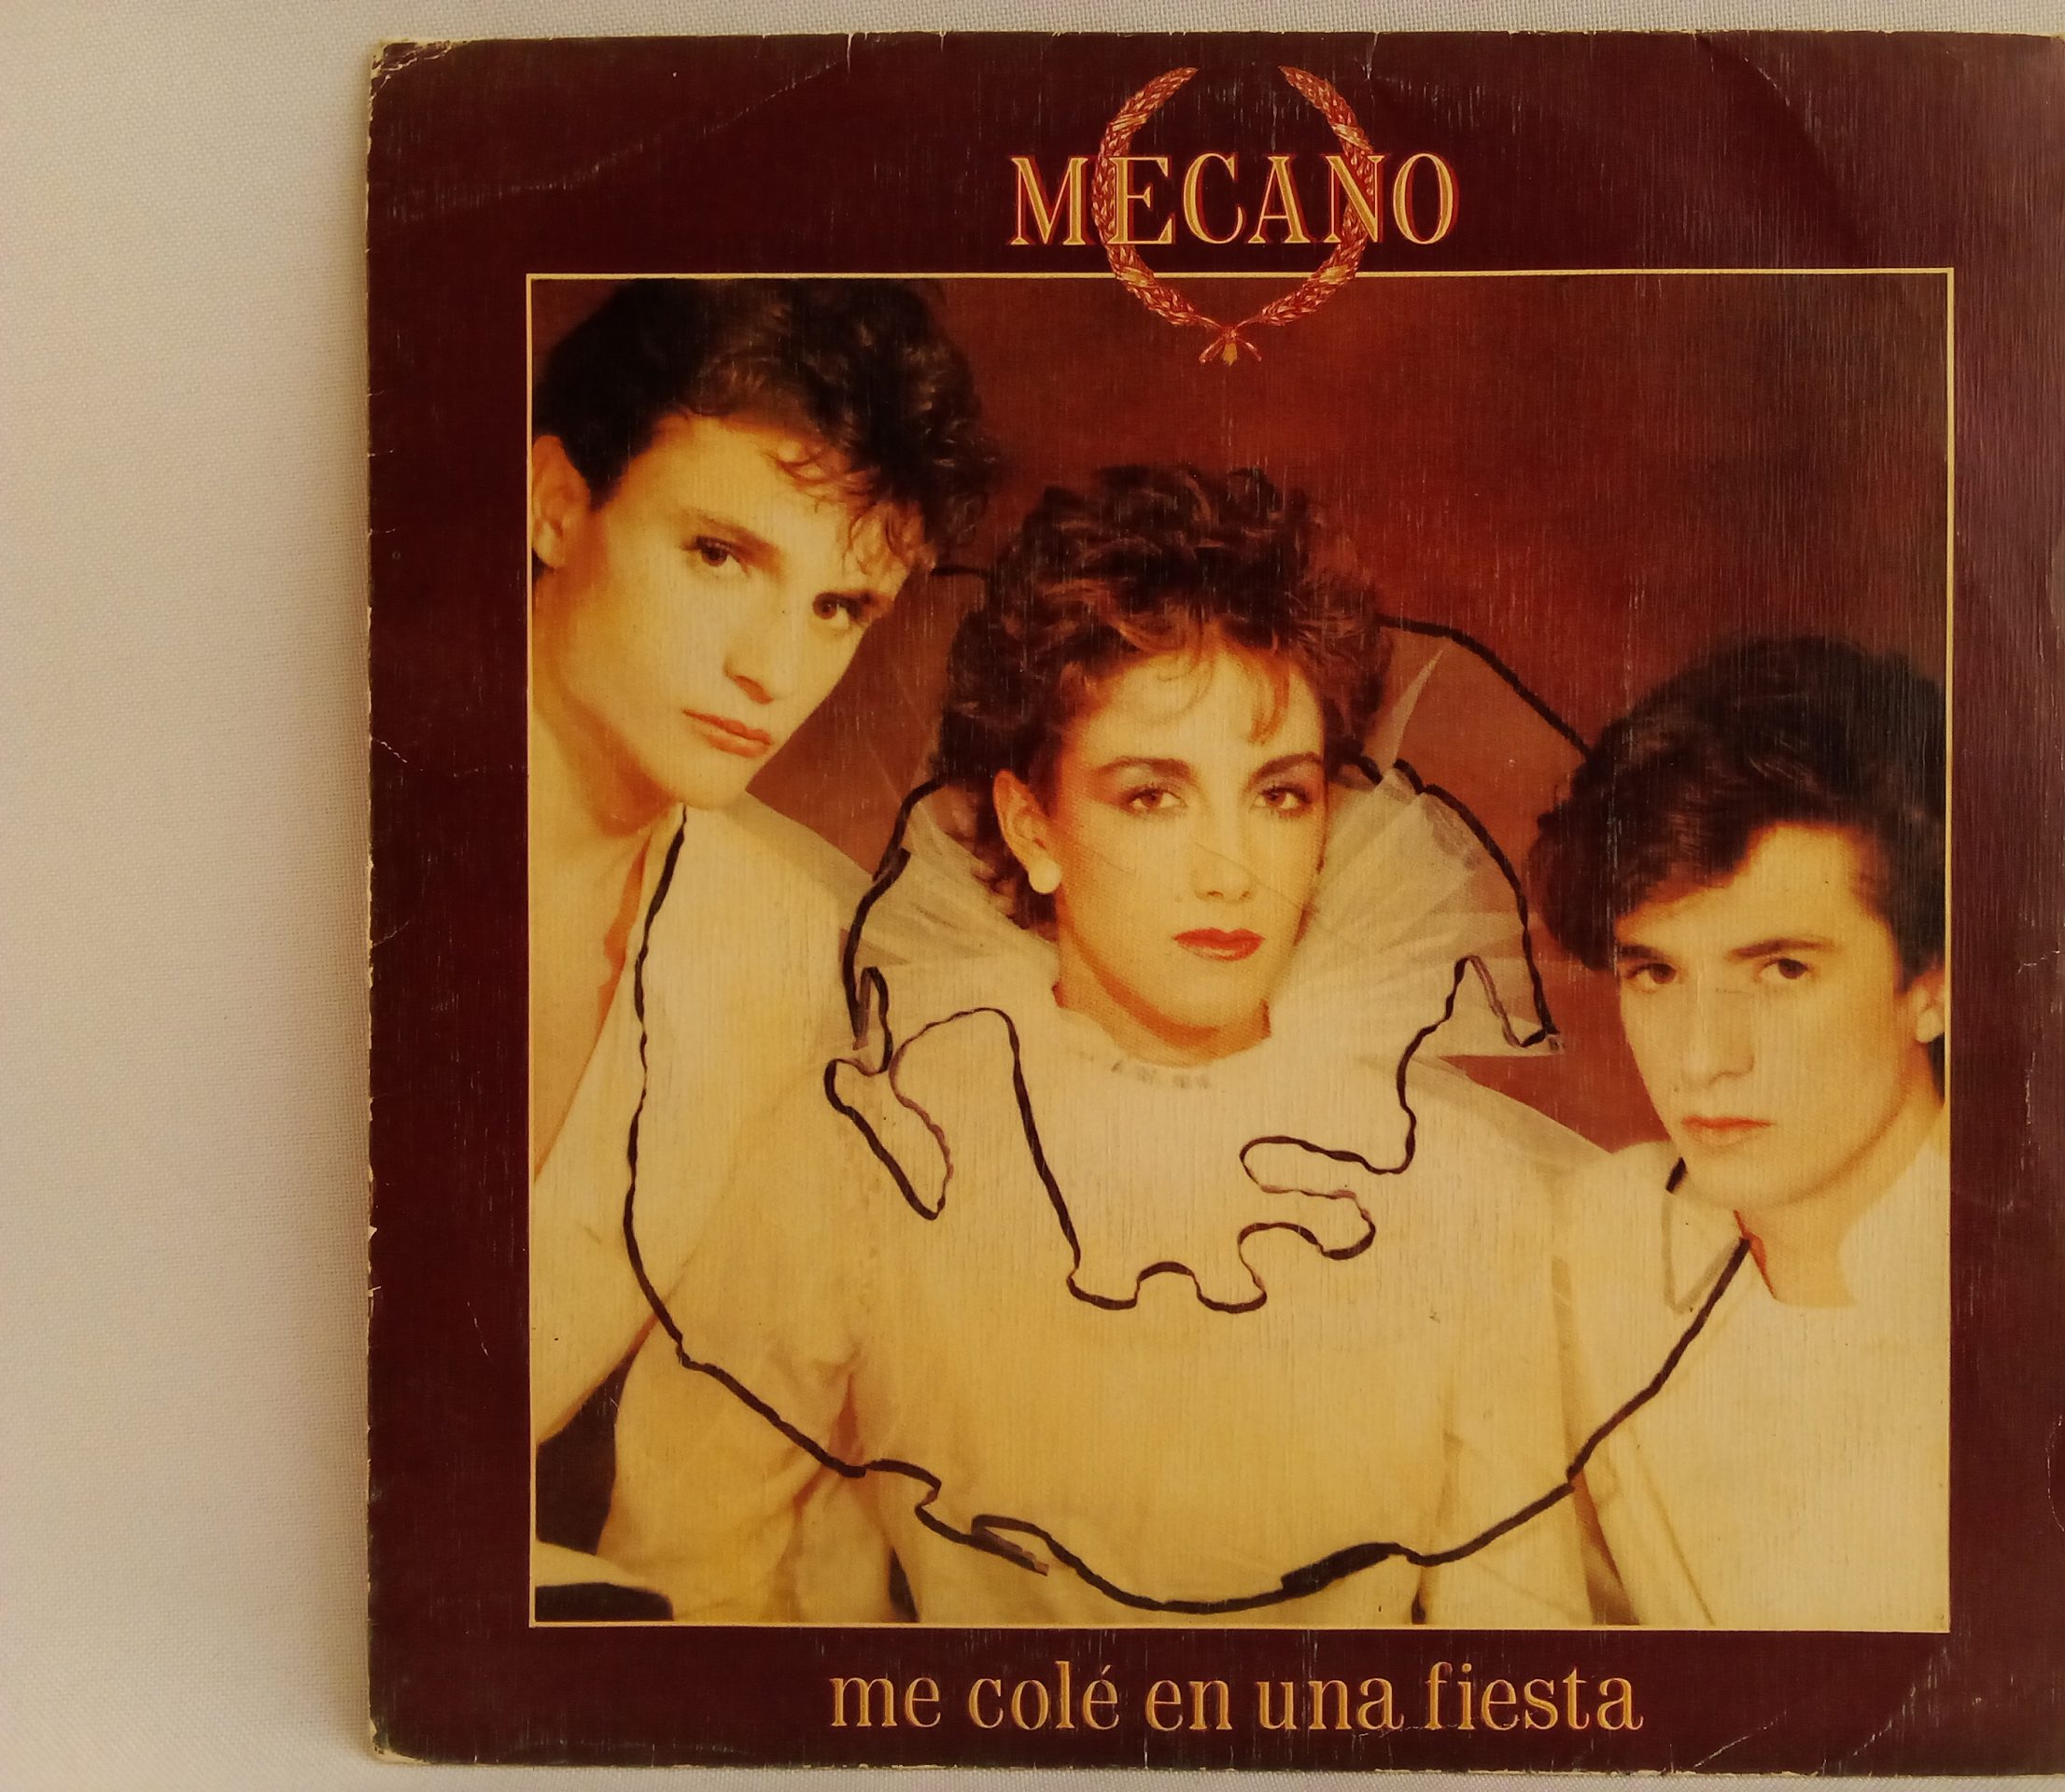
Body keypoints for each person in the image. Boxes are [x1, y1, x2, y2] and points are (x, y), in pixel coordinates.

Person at [599, 466, 1591, 1625]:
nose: (1230, 870)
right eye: (1151, 796)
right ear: (1032, 826)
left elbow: (1520, 1643)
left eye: (1277, 795)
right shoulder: (873, 1157)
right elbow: (691, 1575)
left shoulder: (1459, 1191)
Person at [525, 280, 995, 1603]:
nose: (772, 669)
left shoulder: (799, 955)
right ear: (554, 504)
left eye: (839, 606)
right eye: (720, 556)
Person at [1531, 636, 1950, 1630]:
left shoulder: (2056, 1296)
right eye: (1656, 973)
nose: (1701, 1058)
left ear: (1932, 984)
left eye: (1782, 970)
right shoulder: (1596, 1240)